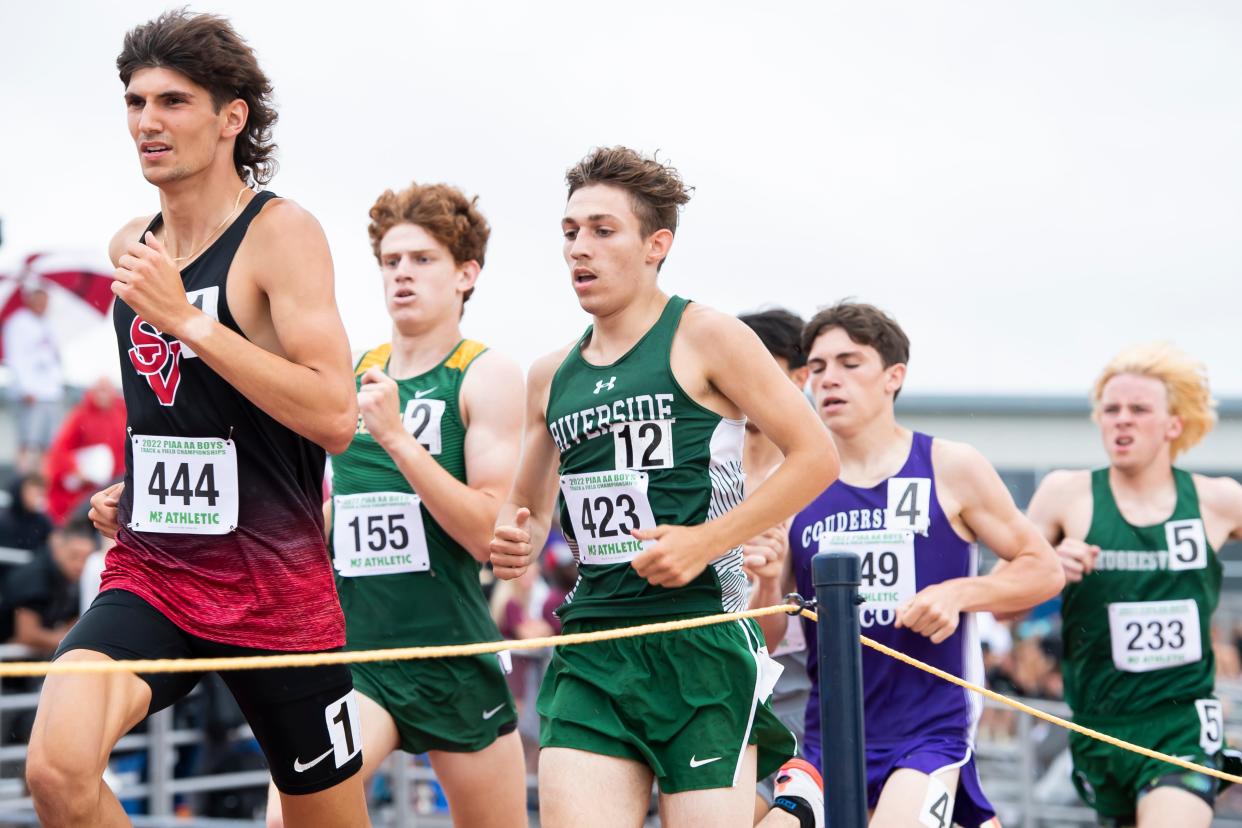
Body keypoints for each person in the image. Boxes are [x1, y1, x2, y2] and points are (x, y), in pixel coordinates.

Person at [26, 11, 367, 827]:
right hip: (158, 575)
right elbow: (177, 407)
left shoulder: (281, 235)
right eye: (135, 101)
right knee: (56, 769)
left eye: (174, 101)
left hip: (277, 592)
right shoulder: (130, 245)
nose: (148, 121)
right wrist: (135, 484)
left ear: (231, 118)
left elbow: (335, 415)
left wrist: (193, 321)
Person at [489, 146, 838, 828]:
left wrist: (705, 541)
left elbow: (814, 456)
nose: (578, 249)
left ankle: (790, 810)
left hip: (700, 639)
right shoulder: (551, 374)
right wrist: (513, 541)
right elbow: (523, 515)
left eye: (601, 229)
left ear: (657, 244)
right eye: (569, 232)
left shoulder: (707, 336)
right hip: (594, 646)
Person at [264, 181, 527, 828]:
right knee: (290, 819)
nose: (402, 274)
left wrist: (400, 440)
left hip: (451, 653)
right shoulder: (353, 373)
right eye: (390, 261)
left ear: (466, 274)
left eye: (423, 260)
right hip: (360, 658)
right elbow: (326, 509)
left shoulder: (485, 373)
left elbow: (487, 535)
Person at [761, 301, 1062, 828]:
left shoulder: (950, 466)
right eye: (819, 367)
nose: (829, 379)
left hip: (928, 735)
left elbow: (1043, 568)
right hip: (827, 739)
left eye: (850, 364)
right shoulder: (794, 485)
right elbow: (766, 638)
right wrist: (765, 583)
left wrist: (958, 594)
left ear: (893, 377)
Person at [1025, 343, 1242, 827]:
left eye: (1139, 409)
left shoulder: (1218, 500)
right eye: (1111, 410)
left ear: (1173, 424)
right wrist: (1045, 568)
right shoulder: (1066, 493)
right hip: (1100, 728)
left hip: (1183, 725)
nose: (1122, 420)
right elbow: (1004, 603)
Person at [735, 309, 815, 825]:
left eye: (761, 368)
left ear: (800, 377)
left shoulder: (821, 471)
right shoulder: (703, 461)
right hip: (713, 669)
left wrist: (767, 582)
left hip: (799, 681)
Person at [0, 517, 96, 655]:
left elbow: (75, 620)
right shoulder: (34, 577)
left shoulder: (73, 577)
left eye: (86, 558)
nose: (80, 565)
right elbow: (27, 635)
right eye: (74, 556)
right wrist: (70, 641)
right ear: (58, 548)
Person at [43, 377, 127, 524]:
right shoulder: (80, 415)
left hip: (117, 480)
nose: (103, 395)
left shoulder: (121, 413)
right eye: (99, 390)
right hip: (87, 484)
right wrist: (75, 469)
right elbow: (61, 448)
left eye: (106, 390)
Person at [3, 284, 65, 475]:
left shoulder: (48, 324)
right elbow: (15, 357)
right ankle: (22, 483)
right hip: (31, 394)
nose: (43, 304)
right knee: (29, 442)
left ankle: (41, 484)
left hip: (50, 392)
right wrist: (25, 387)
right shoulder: (18, 323)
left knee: (50, 444)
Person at [0, 473, 53, 553]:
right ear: (21, 492)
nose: (38, 498)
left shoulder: (44, 523)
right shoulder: (4, 520)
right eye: (35, 493)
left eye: (41, 494)